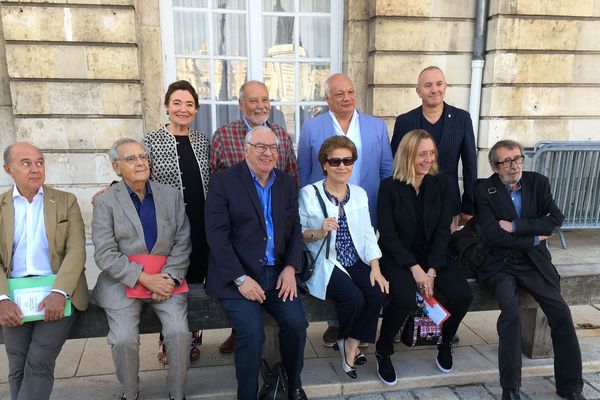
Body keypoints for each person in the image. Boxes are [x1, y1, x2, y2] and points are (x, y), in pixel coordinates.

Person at [474, 140, 585, 400]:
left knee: (561, 313)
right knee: (511, 316)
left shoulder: (538, 182)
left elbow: (555, 220)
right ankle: (510, 389)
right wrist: (536, 235)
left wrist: (517, 227)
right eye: (506, 161)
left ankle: (570, 386)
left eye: (517, 159)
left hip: (534, 263)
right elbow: (491, 235)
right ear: (494, 166)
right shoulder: (484, 189)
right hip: (500, 263)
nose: (514, 166)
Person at [205, 126, 308, 400]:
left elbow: (295, 228)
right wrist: (240, 278)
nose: (268, 152)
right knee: (252, 332)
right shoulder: (223, 182)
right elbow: (217, 236)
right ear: (246, 149)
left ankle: (293, 383)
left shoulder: (286, 182)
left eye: (273, 147)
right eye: (260, 146)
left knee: (297, 324)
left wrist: (290, 268)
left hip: (277, 274)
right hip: (237, 276)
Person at [297, 72, 393, 347]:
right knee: (334, 262)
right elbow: (304, 172)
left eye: (350, 92)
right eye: (339, 94)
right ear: (327, 98)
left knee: (364, 263)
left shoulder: (375, 126)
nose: (347, 98)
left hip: (365, 205)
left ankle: (360, 326)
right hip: (327, 209)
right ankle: (337, 324)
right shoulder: (312, 128)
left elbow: (386, 170)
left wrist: (384, 210)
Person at [92, 138, 191, 400]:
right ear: (116, 167)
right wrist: (144, 279)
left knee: (179, 333)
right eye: (131, 159)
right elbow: (104, 253)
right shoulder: (105, 202)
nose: (140, 163)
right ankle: (130, 393)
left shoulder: (170, 196)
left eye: (143, 157)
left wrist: (169, 277)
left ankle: (178, 394)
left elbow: (183, 242)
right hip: (122, 282)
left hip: (166, 278)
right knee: (123, 339)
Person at [374, 129, 473, 386]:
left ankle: (445, 343)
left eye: (431, 153)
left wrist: (431, 270)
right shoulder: (388, 188)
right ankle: (383, 349)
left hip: (434, 255)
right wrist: (414, 269)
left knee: (463, 295)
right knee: (404, 297)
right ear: (408, 156)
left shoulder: (442, 184)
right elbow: (388, 235)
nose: (428, 159)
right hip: (398, 255)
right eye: (422, 154)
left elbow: (443, 230)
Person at [210, 80, 299, 353]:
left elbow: (291, 179)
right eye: (253, 100)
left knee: (293, 322)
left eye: (265, 100)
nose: (260, 106)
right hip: (239, 236)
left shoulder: (281, 136)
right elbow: (212, 181)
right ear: (241, 104)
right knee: (250, 325)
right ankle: (243, 330)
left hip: (271, 244)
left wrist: (291, 264)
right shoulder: (224, 136)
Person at [0, 142, 88, 400]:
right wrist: (2, 299)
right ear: (8, 169)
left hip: (57, 293)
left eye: (39, 162)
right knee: (17, 367)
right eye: (26, 163)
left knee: (38, 361)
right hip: (13, 295)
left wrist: (59, 292)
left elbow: (77, 250)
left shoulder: (65, 201)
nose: (35, 168)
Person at [299, 136, 388, 380]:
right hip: (325, 261)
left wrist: (375, 266)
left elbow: (368, 233)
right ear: (325, 164)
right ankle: (345, 341)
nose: (342, 166)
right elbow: (298, 235)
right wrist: (319, 230)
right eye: (335, 161)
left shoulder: (358, 194)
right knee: (353, 297)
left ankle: (351, 341)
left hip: (354, 258)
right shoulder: (309, 193)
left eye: (347, 160)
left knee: (377, 291)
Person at [143, 80, 210, 365]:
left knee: (196, 283)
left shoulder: (202, 141)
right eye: (177, 103)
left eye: (189, 104)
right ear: (167, 106)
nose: (183, 109)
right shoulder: (151, 141)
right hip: (168, 228)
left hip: (201, 223)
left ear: (195, 109)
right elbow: (138, 175)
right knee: (170, 283)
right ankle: (168, 341)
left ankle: (193, 339)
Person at [390, 66, 477, 232]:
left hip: (448, 203)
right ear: (418, 91)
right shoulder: (405, 121)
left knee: (445, 252)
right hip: (410, 204)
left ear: (445, 87)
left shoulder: (462, 118)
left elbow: (470, 164)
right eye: (428, 85)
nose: (434, 90)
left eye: (439, 84)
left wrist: (469, 204)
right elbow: (395, 164)